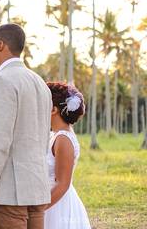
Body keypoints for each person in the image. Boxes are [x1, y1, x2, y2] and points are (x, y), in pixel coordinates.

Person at [0, 23, 52, 229]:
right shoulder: (39, 82)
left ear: (1, 45)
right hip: (37, 191)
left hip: (9, 194)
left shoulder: (3, 81)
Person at [44, 82, 91, 229]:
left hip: (56, 205)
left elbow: (62, 184)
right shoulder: (54, 135)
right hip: (49, 199)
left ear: (53, 109)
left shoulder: (63, 139)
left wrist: (37, 210)